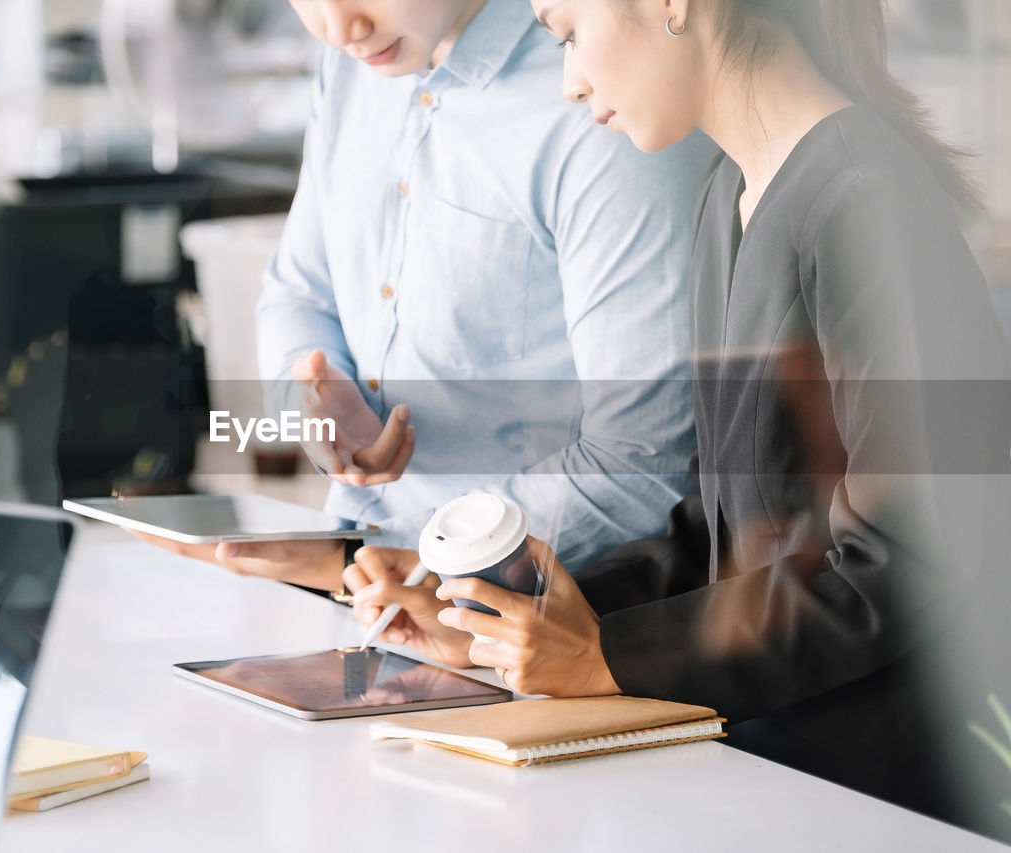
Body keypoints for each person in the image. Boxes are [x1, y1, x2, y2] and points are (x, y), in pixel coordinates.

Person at [345, 0, 1011, 827]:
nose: (570, 81)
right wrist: (506, 623)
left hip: (878, 801)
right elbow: (719, 529)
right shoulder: (728, 196)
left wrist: (610, 655)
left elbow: (910, 563)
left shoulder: (868, 201)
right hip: (755, 774)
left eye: (568, 33)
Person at [137, 0, 719, 594]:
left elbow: (644, 464)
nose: (339, 29)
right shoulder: (346, 68)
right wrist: (314, 404)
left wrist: (390, 560)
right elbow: (297, 292)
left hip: (540, 621)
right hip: (363, 586)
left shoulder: (605, 94)